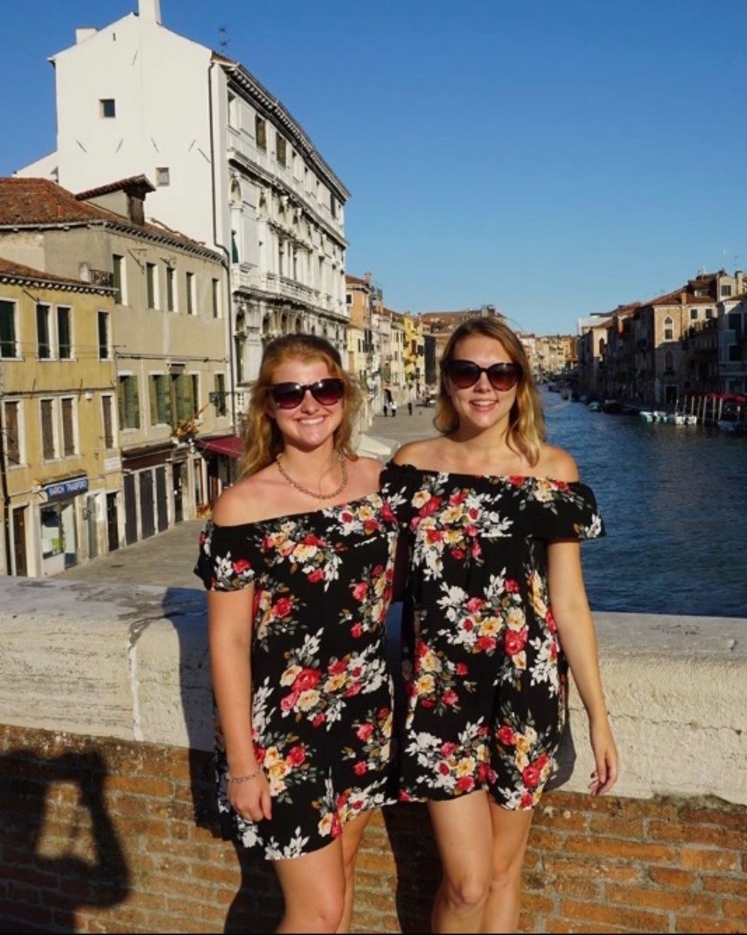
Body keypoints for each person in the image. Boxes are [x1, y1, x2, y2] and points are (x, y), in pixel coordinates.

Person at [379, 316, 618, 933]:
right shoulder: (412, 467)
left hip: (526, 689)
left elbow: (569, 602)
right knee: (467, 883)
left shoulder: (553, 470)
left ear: (520, 383)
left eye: (500, 373)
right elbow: (381, 581)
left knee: (505, 873)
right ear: (447, 381)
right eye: (467, 372)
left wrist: (598, 716)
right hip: (438, 695)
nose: (483, 386)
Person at [195, 333, 397, 933]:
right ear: (268, 404)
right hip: (285, 728)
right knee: (319, 909)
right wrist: (242, 764)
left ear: (344, 396)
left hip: (366, 710)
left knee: (344, 878)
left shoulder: (380, 483)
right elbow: (228, 642)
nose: (310, 404)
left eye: (324, 388)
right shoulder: (241, 506)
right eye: (290, 393)